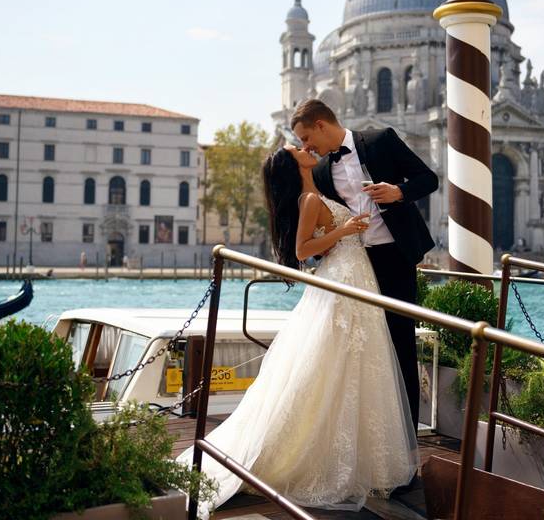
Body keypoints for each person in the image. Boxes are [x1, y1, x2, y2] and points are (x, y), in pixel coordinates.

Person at [177, 144, 418, 516]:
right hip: (341, 281)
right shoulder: (308, 199)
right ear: (293, 163)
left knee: (355, 364)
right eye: (297, 148)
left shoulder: (317, 192)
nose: (304, 147)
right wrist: (346, 230)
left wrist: (347, 228)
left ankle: (359, 457)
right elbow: (303, 250)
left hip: (354, 277)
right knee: (332, 362)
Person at [292, 98, 438, 431]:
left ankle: (408, 435)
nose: (306, 145)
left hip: (395, 256)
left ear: (321, 125)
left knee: (401, 345)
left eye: (305, 138)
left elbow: (428, 179)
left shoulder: (381, 140)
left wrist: (398, 192)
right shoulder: (319, 170)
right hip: (355, 262)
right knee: (364, 349)